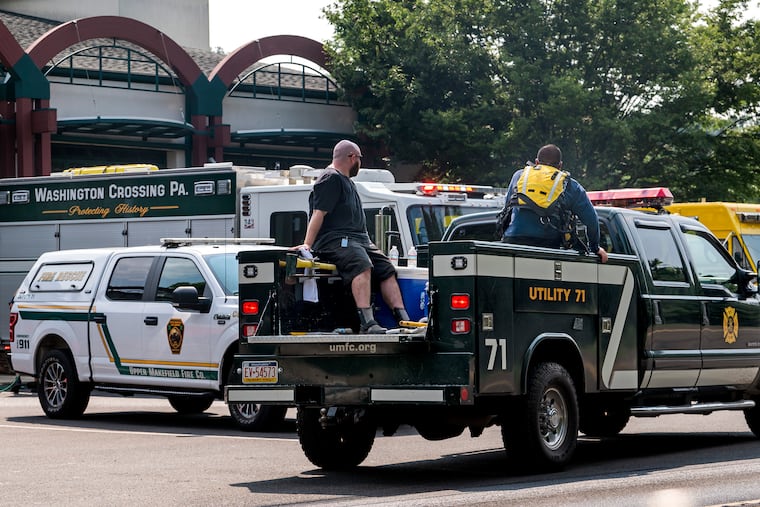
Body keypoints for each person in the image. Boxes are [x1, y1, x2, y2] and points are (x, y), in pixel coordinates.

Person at [293, 140, 410, 333]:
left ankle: (403, 319)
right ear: (352, 157)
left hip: (359, 240)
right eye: (360, 159)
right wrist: (307, 245)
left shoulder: (348, 181)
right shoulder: (330, 178)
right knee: (361, 264)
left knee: (386, 268)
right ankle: (367, 322)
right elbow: (318, 213)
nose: (360, 163)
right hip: (335, 240)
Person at [501, 144, 608, 263]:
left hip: (513, 242)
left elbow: (507, 209)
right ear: (560, 165)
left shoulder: (519, 176)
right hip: (548, 246)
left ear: (536, 162)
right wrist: (595, 247)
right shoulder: (570, 185)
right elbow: (591, 220)